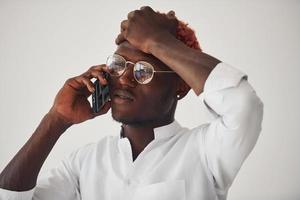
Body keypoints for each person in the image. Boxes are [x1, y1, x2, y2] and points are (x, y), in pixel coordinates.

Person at [0, 6, 263, 200]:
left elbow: (244, 105)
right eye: (118, 65)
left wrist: (157, 40)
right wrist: (56, 120)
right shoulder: (85, 162)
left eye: (143, 70)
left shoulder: (206, 151)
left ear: (181, 86)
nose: (124, 78)